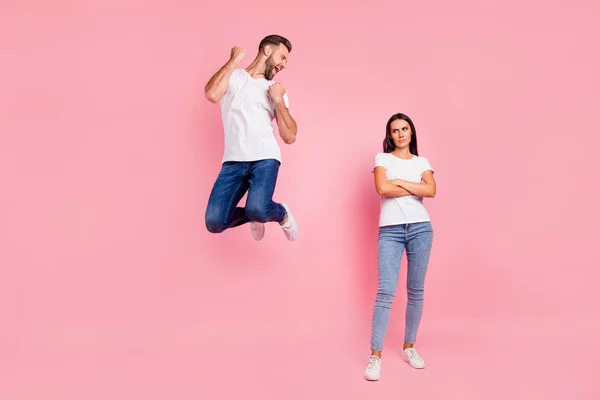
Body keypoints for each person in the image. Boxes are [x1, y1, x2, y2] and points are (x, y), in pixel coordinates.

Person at [203, 35, 299, 241]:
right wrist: (233, 61)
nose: (284, 64)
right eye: (282, 57)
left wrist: (279, 100)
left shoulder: (274, 89)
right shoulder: (233, 77)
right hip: (232, 162)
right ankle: (256, 215)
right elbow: (211, 94)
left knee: (258, 207)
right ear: (267, 51)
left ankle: (281, 213)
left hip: (264, 158)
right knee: (214, 221)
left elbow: (290, 136)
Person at [364, 113, 437, 381]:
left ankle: (409, 347)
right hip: (391, 231)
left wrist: (401, 183)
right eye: (395, 130)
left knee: (415, 291)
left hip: (421, 228)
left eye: (405, 129)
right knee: (385, 292)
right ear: (390, 135)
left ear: (411, 132)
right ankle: (375, 356)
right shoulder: (381, 159)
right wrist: (415, 187)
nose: (401, 134)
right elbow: (382, 187)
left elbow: (431, 191)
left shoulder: (422, 161)